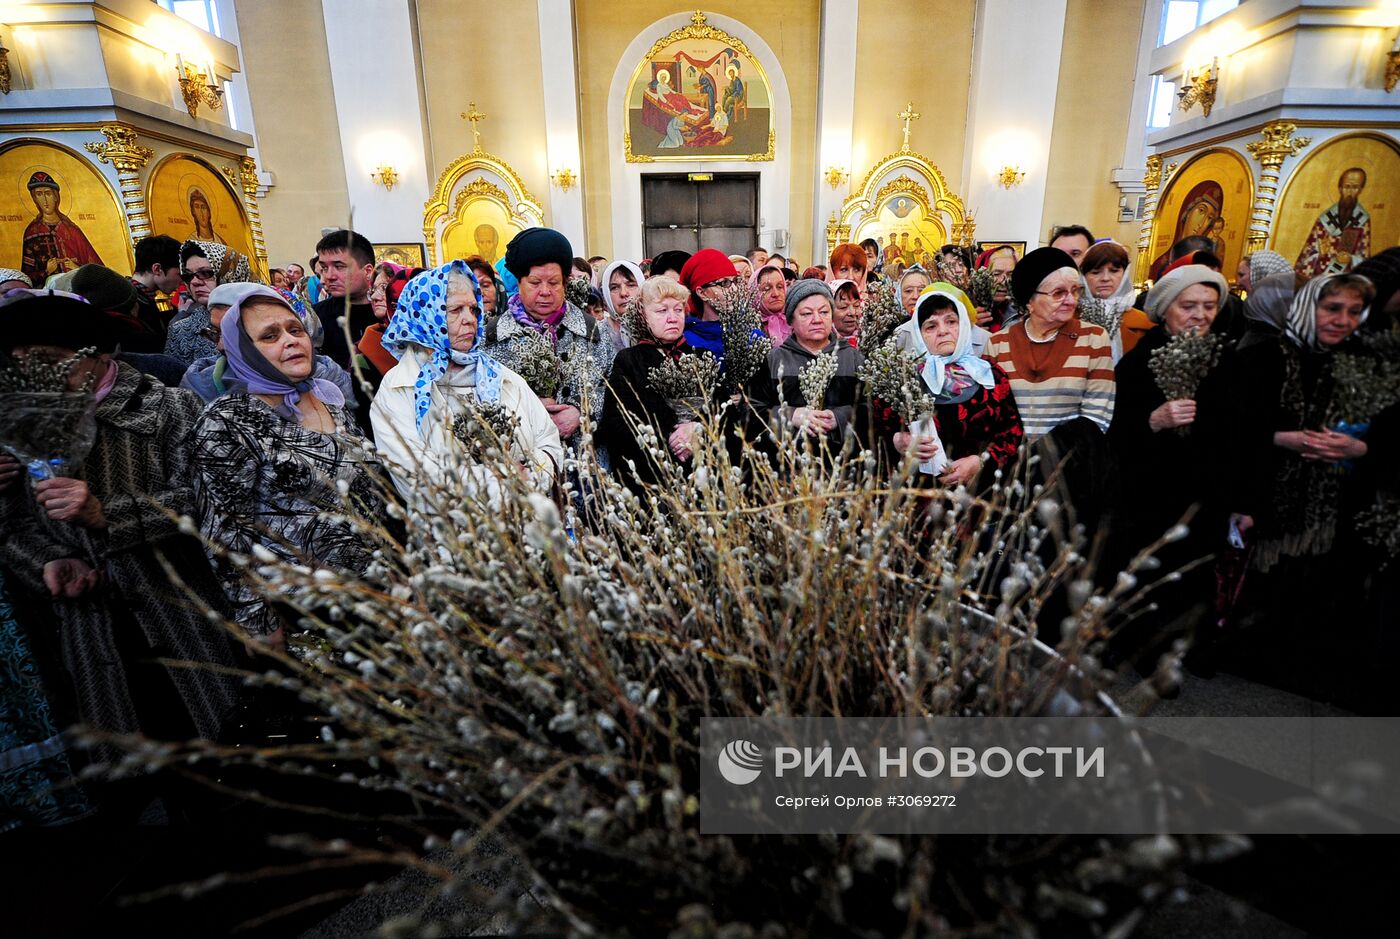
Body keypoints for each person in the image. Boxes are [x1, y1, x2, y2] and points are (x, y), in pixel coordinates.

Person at [0, 293, 240, 750]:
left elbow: (212, 504)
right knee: (136, 765)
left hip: (181, 615)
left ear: (99, 355)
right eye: (21, 366)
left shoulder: (172, 409)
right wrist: (49, 563)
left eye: (51, 361)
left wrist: (108, 515)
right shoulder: (21, 426)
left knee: (218, 754)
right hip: (92, 629)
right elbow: (12, 526)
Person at [1221, 272, 1393, 706]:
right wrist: (1280, 438)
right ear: (1307, 306)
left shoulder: (1364, 365)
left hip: (1333, 505)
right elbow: (1228, 428)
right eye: (1332, 308)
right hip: (1269, 495)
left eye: (1355, 312)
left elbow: (1388, 431)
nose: (1343, 320)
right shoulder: (1261, 360)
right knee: (1263, 585)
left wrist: (1361, 447)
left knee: (1315, 593)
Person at [190, 288, 385, 645]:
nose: (291, 341)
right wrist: (258, 622)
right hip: (300, 608)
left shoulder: (329, 401)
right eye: (270, 335)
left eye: (295, 330)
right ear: (242, 350)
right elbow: (224, 533)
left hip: (371, 592)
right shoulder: (228, 422)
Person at [1108, 265, 1233, 668]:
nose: (1200, 315)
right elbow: (1117, 431)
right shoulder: (1137, 364)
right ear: (1166, 310)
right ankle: (1145, 651)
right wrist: (1153, 420)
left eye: (1209, 306)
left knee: (1195, 572)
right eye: (1189, 305)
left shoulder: (1225, 359)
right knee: (1150, 571)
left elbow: (1242, 427)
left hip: (1205, 493)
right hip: (1150, 493)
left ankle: (1185, 651)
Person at [370, 261, 562, 503]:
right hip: (451, 536)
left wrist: (531, 479)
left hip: (527, 527)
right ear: (426, 315)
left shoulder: (500, 375)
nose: (470, 319)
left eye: (473, 309)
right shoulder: (399, 389)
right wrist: (504, 486)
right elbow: (418, 479)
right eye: (455, 310)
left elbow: (548, 440)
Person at [877, 283, 1023, 491]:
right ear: (919, 335)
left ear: (964, 326)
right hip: (917, 500)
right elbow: (875, 431)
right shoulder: (902, 380)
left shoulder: (991, 377)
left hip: (980, 497)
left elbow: (1012, 435)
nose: (943, 331)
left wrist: (980, 461)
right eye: (931, 326)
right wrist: (898, 441)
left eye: (951, 321)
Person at [483, 227, 615, 446]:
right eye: (535, 283)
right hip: (523, 464)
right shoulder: (492, 338)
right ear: (519, 283)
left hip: (587, 465)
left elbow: (613, 390)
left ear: (565, 283)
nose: (545, 291)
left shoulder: (593, 332)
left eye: (553, 283)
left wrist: (582, 412)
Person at [984, 247, 1116, 438]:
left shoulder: (1094, 338)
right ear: (1030, 300)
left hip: (1071, 460)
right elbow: (990, 413)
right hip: (1012, 462)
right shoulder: (997, 343)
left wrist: (1049, 456)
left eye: (1075, 291)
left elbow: (1097, 415)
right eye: (1058, 293)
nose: (1070, 301)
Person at [597, 277, 709, 494]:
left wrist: (698, 428)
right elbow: (618, 424)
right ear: (643, 316)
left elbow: (723, 411)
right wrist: (673, 438)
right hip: (651, 478)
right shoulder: (629, 361)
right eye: (661, 311)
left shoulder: (701, 357)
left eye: (678, 310)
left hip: (701, 475)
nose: (672, 318)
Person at [183, 283, 354, 404]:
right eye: (215, 333)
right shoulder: (205, 389)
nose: (222, 345)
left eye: (294, 330)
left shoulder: (328, 379)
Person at [756, 280, 865, 454]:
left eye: (824, 312)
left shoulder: (852, 358)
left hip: (841, 464)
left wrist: (839, 417)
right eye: (806, 314)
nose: (817, 320)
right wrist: (790, 415)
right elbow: (752, 411)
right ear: (791, 319)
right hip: (787, 463)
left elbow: (871, 410)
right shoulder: (774, 360)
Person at [164, 239, 254, 366]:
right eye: (189, 276)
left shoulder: (265, 317)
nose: (195, 282)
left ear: (231, 273)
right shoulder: (181, 330)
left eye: (205, 273)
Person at [19, 172, 102, 286]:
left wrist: (78, 269)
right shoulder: (32, 232)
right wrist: (46, 271)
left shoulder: (72, 230)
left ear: (55, 196)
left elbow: (99, 270)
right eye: (39, 194)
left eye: (48, 194)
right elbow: (26, 279)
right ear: (34, 199)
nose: (44, 200)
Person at [313, 229, 378, 372]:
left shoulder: (390, 313)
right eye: (324, 267)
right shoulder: (314, 316)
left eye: (339, 266)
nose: (329, 276)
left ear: (367, 271)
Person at [1079, 240, 1152, 363]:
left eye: (1114, 271)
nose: (1105, 278)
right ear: (1083, 277)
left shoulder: (1145, 324)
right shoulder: (1068, 319)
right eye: (1096, 272)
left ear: (1124, 274)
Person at [1294, 167, 1371, 278]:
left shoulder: (1362, 220)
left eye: (1355, 187)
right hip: (1320, 276)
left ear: (1361, 189)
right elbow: (1308, 254)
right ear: (1340, 188)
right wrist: (1323, 254)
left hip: (1345, 280)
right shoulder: (1325, 219)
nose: (1350, 192)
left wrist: (1351, 259)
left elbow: (1365, 257)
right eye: (1347, 187)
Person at [357, 262, 422, 380]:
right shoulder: (368, 347)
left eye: (384, 288)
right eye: (373, 289)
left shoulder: (436, 338)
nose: (374, 297)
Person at [678, 249, 741, 359]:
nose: (734, 289)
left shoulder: (749, 335)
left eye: (735, 281)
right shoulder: (688, 341)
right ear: (702, 293)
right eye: (724, 283)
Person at [131, 234, 183, 327]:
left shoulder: (141, 297)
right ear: (157, 269)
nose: (182, 281)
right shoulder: (130, 302)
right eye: (179, 274)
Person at [601, 259, 645, 352]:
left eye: (631, 285)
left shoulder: (654, 328)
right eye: (614, 288)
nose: (624, 293)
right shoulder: (597, 333)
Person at [975, 245, 1018, 329]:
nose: (1003, 281)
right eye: (996, 274)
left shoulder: (1020, 312)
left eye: (1010, 275)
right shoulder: (966, 308)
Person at [750, 261, 790, 342]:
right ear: (755, 293)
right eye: (767, 289)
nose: (775, 294)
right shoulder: (747, 326)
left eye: (780, 287)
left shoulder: (794, 321)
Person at [830, 279, 861, 346]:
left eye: (856, 305)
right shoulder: (821, 345)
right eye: (843, 307)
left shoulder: (871, 340)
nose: (852, 313)